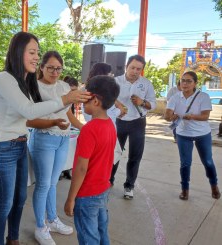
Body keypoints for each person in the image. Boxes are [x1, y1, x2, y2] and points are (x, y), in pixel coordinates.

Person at [0, 33, 90, 245]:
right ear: (17, 52)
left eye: (36, 53)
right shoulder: (4, 78)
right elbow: (29, 111)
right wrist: (67, 98)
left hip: (20, 145)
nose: (35, 57)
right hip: (1, 148)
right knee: (5, 203)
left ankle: (13, 239)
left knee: (20, 199)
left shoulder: (25, 81)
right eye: (32, 53)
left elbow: (44, 106)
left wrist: (71, 99)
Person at [26, 51, 83, 245]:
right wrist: (52, 124)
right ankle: (40, 227)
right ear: (41, 67)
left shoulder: (65, 86)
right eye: (50, 67)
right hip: (43, 138)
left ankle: (52, 219)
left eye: (58, 68)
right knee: (43, 184)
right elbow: (30, 120)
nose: (55, 72)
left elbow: (68, 113)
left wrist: (85, 128)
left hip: (63, 139)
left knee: (52, 183)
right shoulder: (33, 87)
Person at [64, 75, 120, 245]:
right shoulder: (110, 124)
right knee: (102, 231)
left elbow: (81, 169)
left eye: (85, 97)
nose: (81, 101)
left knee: (89, 238)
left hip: (87, 194)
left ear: (95, 101)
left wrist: (71, 198)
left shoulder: (89, 130)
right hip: (103, 189)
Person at [165, 71, 220, 200]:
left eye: (189, 81)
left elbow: (205, 116)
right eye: (183, 80)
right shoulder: (175, 97)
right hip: (183, 134)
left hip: (202, 134)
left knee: (207, 161)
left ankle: (214, 185)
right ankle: (185, 189)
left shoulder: (203, 97)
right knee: (185, 163)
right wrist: (171, 116)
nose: (185, 83)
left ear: (195, 83)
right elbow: (166, 115)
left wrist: (192, 116)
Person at [110, 54, 156, 200]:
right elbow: (107, 98)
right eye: (132, 67)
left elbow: (152, 105)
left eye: (139, 69)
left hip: (138, 122)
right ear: (126, 67)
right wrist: (118, 104)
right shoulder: (115, 81)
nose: (135, 71)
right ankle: (108, 180)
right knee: (114, 153)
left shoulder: (146, 84)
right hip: (118, 121)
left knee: (135, 156)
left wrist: (142, 102)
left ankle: (129, 186)